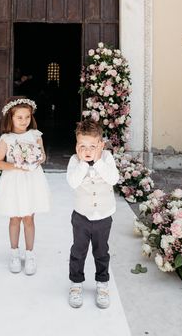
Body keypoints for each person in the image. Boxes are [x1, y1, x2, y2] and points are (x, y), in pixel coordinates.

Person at [0, 97, 51, 275]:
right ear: (10, 118)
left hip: (31, 181)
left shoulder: (35, 135)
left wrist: (38, 158)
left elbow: (42, 156)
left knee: (28, 218)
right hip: (14, 181)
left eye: (27, 117)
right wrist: (16, 166)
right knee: (14, 218)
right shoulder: (6, 139)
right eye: (19, 117)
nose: (24, 121)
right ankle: (14, 253)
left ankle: (30, 254)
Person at [66, 120, 119, 309]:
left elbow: (113, 178)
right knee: (78, 252)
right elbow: (72, 182)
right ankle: (76, 284)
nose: (87, 150)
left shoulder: (107, 159)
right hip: (81, 216)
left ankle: (102, 284)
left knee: (101, 252)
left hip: (104, 215)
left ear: (101, 145)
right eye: (82, 146)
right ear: (76, 146)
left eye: (92, 146)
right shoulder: (75, 160)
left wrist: (97, 162)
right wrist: (83, 164)